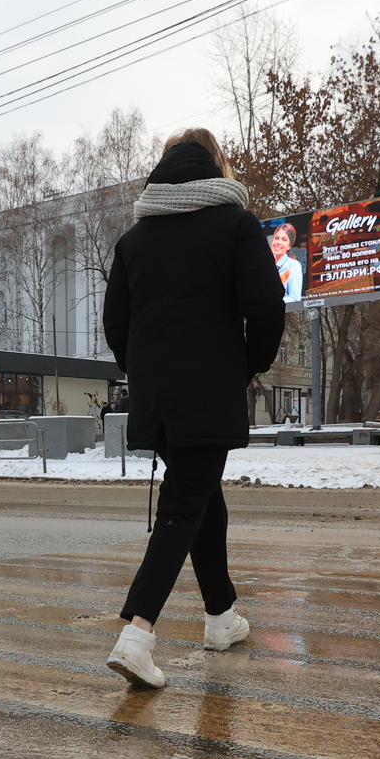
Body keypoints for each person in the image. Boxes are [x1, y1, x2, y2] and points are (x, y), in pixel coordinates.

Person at [101, 128, 286, 688]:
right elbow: (267, 306)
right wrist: (246, 365)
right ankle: (137, 634)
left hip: (157, 397)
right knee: (185, 504)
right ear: (215, 166)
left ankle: (221, 617)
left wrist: (147, 371)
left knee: (202, 495)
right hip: (209, 389)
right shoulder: (234, 224)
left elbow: (115, 326)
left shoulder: (135, 240)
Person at [268, 222, 304, 304]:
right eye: (276, 238)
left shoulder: (293, 265)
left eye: (284, 239)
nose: (278, 242)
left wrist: (271, 302)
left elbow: (295, 298)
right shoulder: (266, 266)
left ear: (289, 246)